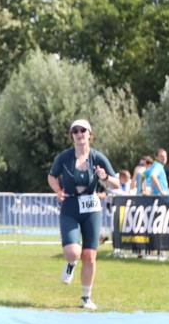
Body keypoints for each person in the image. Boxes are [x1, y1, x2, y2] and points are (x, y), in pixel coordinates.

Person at [47, 119, 118, 310]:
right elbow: (51, 176)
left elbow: (116, 183)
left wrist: (104, 177)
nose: (79, 134)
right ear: (72, 136)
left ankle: (86, 297)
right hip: (70, 206)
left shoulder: (98, 157)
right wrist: (58, 191)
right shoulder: (64, 157)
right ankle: (71, 264)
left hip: (91, 209)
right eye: (75, 131)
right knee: (73, 252)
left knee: (90, 256)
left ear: (90, 134)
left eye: (82, 131)